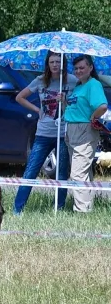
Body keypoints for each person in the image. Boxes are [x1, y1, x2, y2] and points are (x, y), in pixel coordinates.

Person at [12, 50, 76, 214]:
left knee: (61, 174)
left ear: (63, 64)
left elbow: (79, 105)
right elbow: (20, 97)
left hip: (63, 133)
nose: (55, 65)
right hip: (43, 133)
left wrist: (66, 102)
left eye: (58, 62)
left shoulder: (72, 81)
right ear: (48, 64)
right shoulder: (40, 80)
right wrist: (37, 110)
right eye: (52, 62)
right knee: (31, 170)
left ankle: (59, 209)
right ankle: (17, 209)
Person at [64, 54, 108, 212]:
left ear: (90, 68)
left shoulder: (93, 84)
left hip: (84, 132)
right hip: (71, 131)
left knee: (77, 174)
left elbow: (102, 106)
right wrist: (64, 101)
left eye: (82, 67)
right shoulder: (78, 86)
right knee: (84, 172)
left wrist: (93, 116)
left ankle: (81, 212)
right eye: (76, 68)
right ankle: (87, 207)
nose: (78, 71)